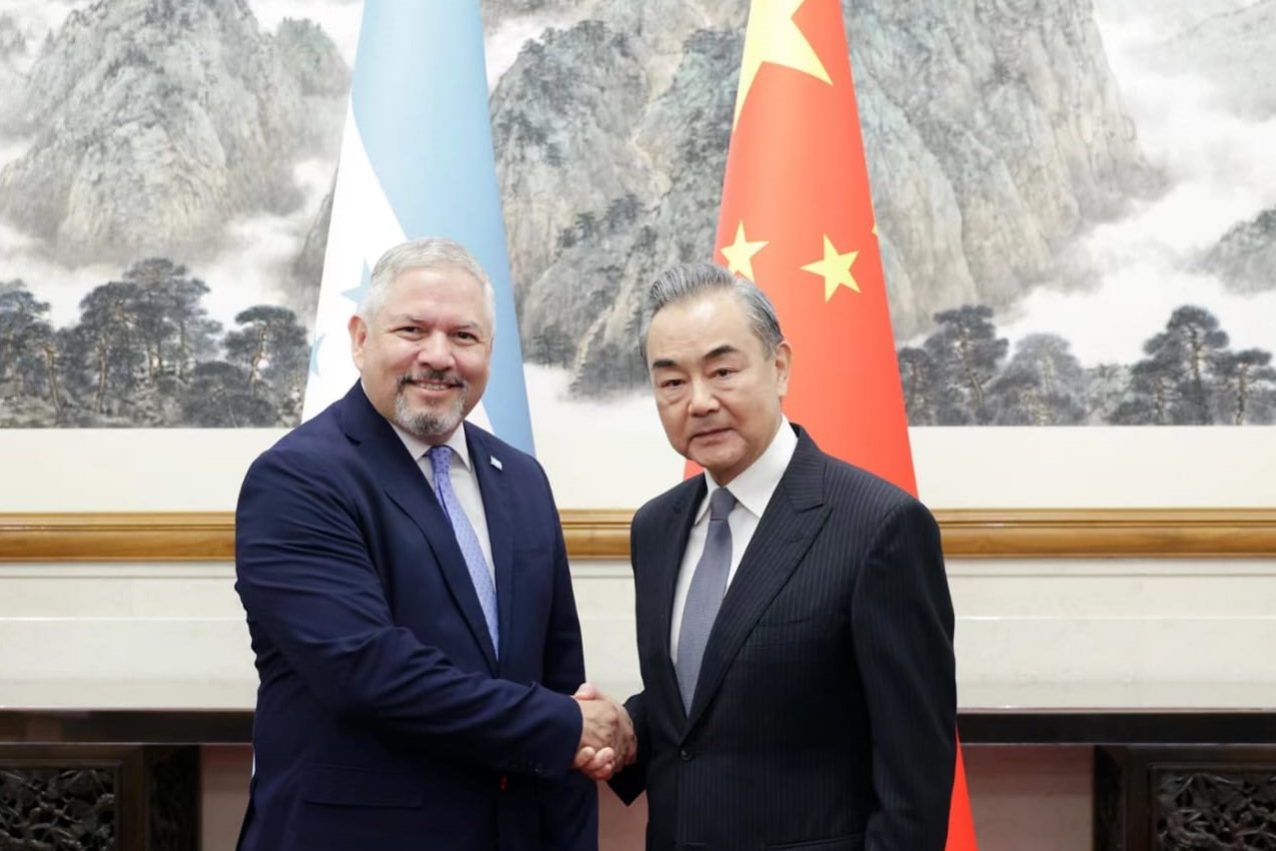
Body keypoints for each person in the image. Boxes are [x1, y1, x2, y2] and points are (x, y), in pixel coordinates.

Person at [233, 237, 631, 851]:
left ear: (488, 352)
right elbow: (368, 671)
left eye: (464, 336)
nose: (439, 356)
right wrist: (565, 726)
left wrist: (574, 747)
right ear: (360, 338)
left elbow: (557, 674)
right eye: (413, 330)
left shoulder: (521, 478)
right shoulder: (298, 478)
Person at [605, 263, 957, 850]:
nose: (699, 402)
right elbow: (703, 706)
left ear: (780, 366)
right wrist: (621, 730)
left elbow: (914, 784)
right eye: (671, 383)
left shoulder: (880, 526)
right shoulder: (656, 528)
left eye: (723, 371)